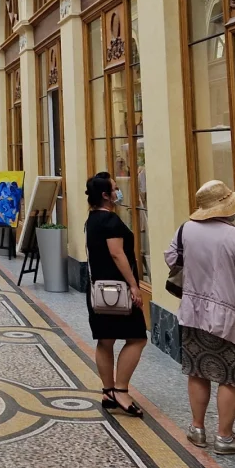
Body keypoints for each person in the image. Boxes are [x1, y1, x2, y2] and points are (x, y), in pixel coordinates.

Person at [167, 179, 235, 454]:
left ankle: (197, 428)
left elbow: (170, 257)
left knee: (198, 370)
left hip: (193, 311)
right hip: (230, 317)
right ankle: (224, 437)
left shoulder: (186, 229)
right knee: (231, 376)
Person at [85, 173, 148, 417]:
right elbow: (117, 254)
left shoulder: (92, 219)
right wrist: (134, 285)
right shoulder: (111, 221)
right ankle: (121, 390)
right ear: (105, 195)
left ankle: (108, 391)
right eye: (115, 188)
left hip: (98, 290)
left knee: (105, 339)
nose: (118, 191)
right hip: (118, 292)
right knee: (137, 338)